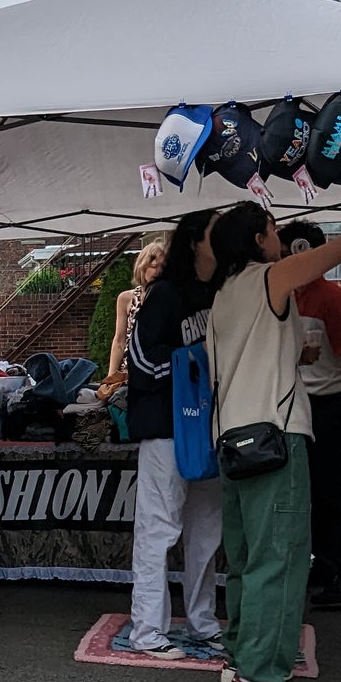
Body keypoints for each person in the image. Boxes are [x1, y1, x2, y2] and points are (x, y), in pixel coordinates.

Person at [206, 204, 341, 682]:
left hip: (232, 435)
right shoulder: (270, 278)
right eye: (273, 230)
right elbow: (336, 250)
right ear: (259, 238)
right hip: (275, 435)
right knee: (281, 557)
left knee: (249, 557)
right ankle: (260, 675)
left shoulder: (222, 295)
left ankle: (239, 660)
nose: (278, 237)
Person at [124, 209, 222, 658]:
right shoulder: (163, 295)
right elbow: (140, 363)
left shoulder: (220, 293)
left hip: (210, 427)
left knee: (207, 530)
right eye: (213, 235)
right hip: (166, 427)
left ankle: (202, 621)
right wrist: (193, 360)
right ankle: (148, 630)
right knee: (159, 529)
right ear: (195, 243)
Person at [277, 220, 341, 609]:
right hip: (300, 405)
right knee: (310, 491)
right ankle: (325, 564)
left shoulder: (333, 298)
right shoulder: (287, 298)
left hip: (331, 405)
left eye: (285, 253)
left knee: (336, 491)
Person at [106, 238, 166, 379]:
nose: (159, 271)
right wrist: (110, 378)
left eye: (163, 267)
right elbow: (119, 341)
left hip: (161, 372)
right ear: (142, 267)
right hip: (130, 374)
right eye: (154, 266)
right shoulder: (126, 298)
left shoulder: (172, 299)